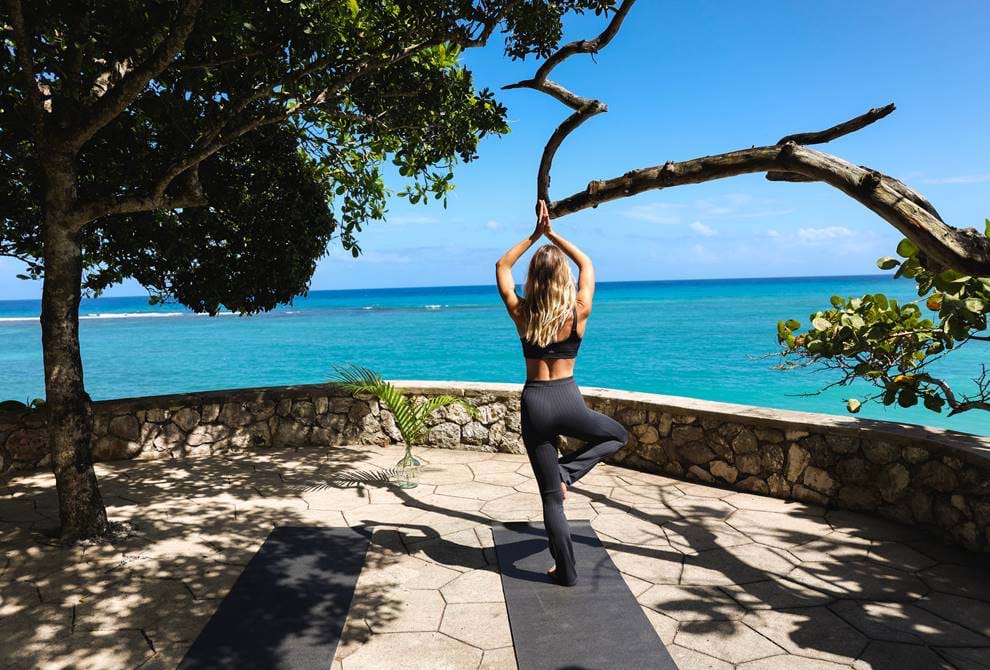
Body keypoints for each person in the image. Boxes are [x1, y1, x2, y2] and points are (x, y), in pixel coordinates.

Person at [495, 200, 628, 586]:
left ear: (535, 279)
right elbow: (587, 264)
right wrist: (553, 235)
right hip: (568, 399)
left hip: (535, 402)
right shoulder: (578, 311)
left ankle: (566, 571)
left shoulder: (522, 312)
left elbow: (502, 266)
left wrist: (534, 235)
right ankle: (568, 472)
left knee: (551, 499)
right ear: (562, 278)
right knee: (617, 435)